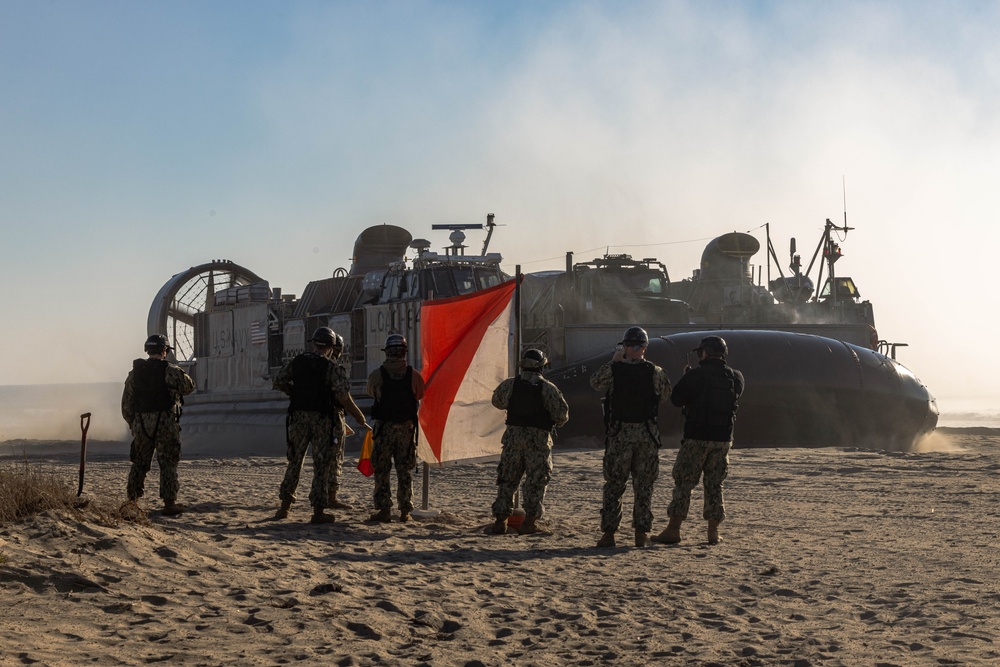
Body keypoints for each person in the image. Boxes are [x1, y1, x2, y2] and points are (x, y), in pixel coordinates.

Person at [653, 335, 744, 546]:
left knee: (684, 482)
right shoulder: (736, 377)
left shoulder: (696, 375)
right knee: (714, 484)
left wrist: (688, 377)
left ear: (704, 353)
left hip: (697, 437)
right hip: (723, 440)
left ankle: (674, 529)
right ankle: (713, 532)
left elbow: (676, 400)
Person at [273, 327, 370, 524]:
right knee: (321, 466)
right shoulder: (332, 367)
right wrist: (359, 417)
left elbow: (278, 382)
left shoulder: (297, 362)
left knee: (295, 461)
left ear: (314, 343)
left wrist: (296, 393)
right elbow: (343, 396)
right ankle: (318, 511)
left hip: (298, 418)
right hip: (322, 420)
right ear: (331, 347)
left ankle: (284, 507)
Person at [590, 326, 671, 548]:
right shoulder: (656, 372)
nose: (633, 349)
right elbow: (664, 395)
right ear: (645, 348)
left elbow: (595, 383)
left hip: (620, 435)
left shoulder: (615, 370)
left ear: (625, 347)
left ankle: (609, 534)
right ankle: (641, 534)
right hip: (646, 435)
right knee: (643, 486)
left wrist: (615, 362)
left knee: (615, 485)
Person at [489, 348, 569, 535]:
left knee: (507, 480)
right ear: (541, 366)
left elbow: (497, 402)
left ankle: (501, 521)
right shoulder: (548, 388)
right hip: (538, 443)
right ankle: (529, 522)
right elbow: (562, 416)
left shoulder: (510, 384)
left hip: (513, 441)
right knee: (535, 482)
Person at [121, 334, 195, 515]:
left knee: (139, 462)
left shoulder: (134, 374)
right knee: (168, 461)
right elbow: (189, 387)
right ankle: (169, 503)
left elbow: (126, 404)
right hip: (165, 423)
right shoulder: (171, 371)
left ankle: (132, 502)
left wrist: (134, 423)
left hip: (142, 424)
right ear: (164, 351)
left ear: (148, 350)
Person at [366, 334, 426, 523]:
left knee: (382, 470)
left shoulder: (377, 374)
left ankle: (384, 509)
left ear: (388, 352)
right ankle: (405, 511)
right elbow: (420, 394)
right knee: (404, 470)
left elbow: (371, 392)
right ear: (403, 352)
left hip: (383, 429)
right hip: (405, 430)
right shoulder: (413, 375)